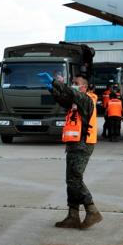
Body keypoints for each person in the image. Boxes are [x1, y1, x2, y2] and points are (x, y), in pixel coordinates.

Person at [37, 72, 102, 230]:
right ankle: (73, 216)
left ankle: (92, 210)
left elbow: (71, 92)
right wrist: (52, 89)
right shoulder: (75, 101)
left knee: (75, 179)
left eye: (76, 82)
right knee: (71, 181)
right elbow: (63, 99)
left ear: (84, 87)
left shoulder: (87, 99)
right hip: (74, 143)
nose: (73, 84)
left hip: (83, 143)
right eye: (72, 82)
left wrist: (55, 82)